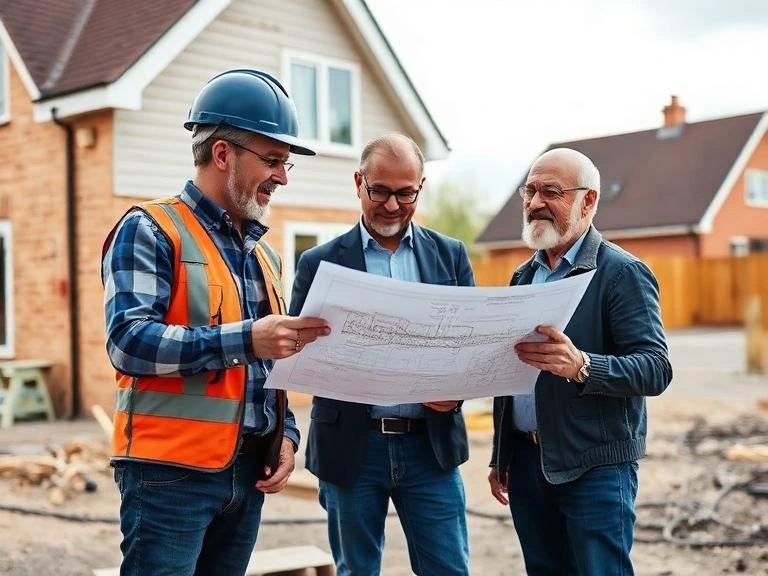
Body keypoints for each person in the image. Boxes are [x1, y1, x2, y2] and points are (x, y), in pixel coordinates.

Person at [101, 68, 331, 576]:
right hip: (169, 477)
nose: (283, 177)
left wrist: (286, 433)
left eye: (286, 163)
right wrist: (249, 338)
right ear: (222, 153)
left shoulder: (264, 255)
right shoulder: (152, 229)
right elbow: (129, 342)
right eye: (272, 160)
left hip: (248, 473)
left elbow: (271, 366)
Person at [289, 133, 473, 576]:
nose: (392, 205)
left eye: (405, 193)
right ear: (358, 183)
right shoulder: (319, 263)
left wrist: (456, 393)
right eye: (380, 191)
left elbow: (471, 347)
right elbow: (295, 352)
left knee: (448, 569)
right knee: (356, 570)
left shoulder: (451, 256)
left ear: (420, 188)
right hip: (353, 444)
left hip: (430, 446)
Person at [488, 148, 673, 575]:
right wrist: (502, 455)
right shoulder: (522, 277)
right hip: (529, 466)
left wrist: (582, 365)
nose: (535, 203)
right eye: (530, 190)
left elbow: (655, 368)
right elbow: (511, 374)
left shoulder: (622, 273)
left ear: (587, 201)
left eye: (551, 192)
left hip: (596, 468)